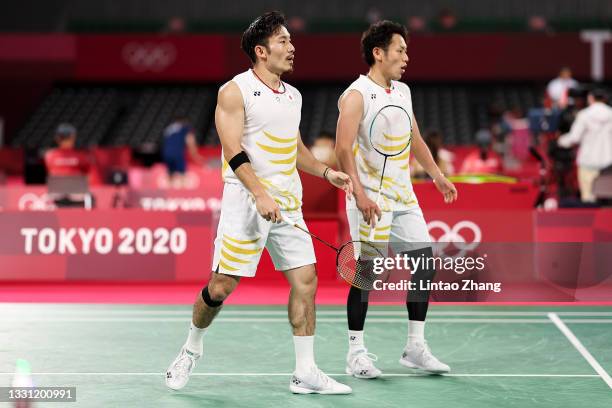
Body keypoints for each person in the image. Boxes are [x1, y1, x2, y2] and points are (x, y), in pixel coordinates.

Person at [165, 11, 353, 395]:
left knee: (306, 281)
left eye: (291, 40)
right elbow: (232, 148)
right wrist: (259, 192)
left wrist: (325, 172)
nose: (292, 47)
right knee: (221, 286)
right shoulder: (234, 91)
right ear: (261, 51)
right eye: (284, 41)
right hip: (246, 202)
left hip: (288, 203)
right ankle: (190, 348)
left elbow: (294, 148)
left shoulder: (293, 96)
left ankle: (305, 372)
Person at [335, 20, 457, 379]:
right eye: (400, 50)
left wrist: (436, 175)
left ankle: (414, 347)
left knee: (424, 263)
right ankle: (355, 352)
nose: (406, 57)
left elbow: (415, 138)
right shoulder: (356, 94)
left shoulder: (402, 91)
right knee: (367, 273)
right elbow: (343, 149)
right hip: (369, 199)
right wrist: (358, 194)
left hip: (404, 196)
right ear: (378, 52)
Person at [558, 88, 612, 202]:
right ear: (605, 99)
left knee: (588, 200)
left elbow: (574, 138)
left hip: (588, 163)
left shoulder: (584, 115)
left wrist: (560, 140)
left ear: (590, 99)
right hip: (609, 164)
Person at [161, 117, 203, 188]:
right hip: (177, 153)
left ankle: (169, 195)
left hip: (166, 153)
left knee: (170, 174)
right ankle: (183, 194)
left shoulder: (168, 128)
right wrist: (195, 155)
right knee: (182, 175)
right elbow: (190, 141)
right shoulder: (185, 128)